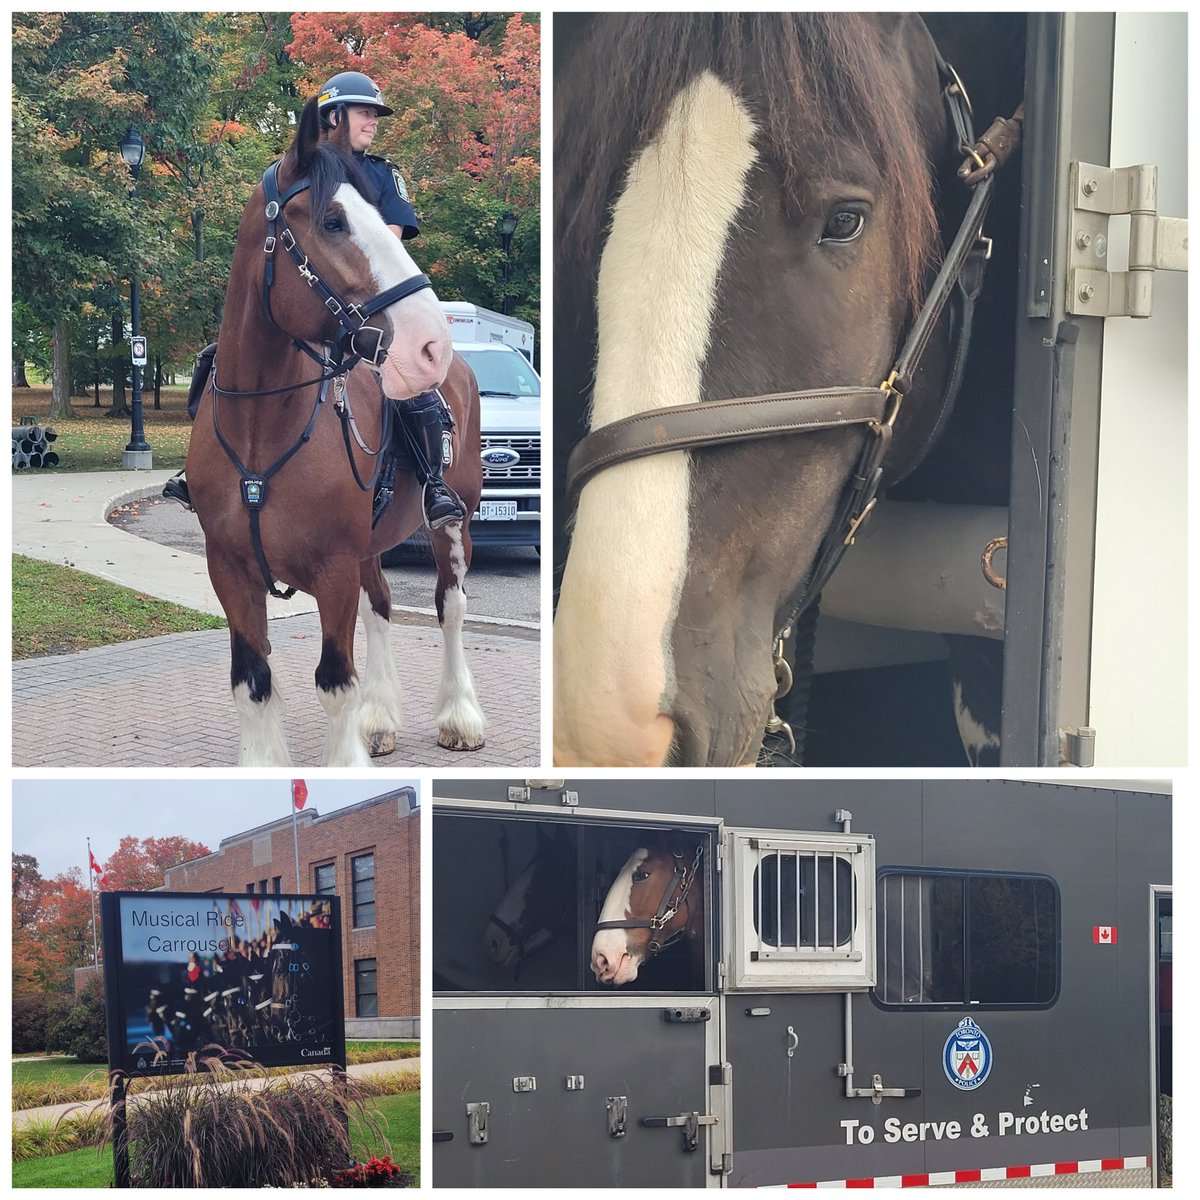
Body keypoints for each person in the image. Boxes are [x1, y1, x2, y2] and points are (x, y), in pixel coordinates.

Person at [164, 70, 465, 530]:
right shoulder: (299, 176)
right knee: (217, 360)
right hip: (317, 295)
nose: (374, 122)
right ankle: (202, 467)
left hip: (367, 300)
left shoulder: (382, 174)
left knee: (411, 389)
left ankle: (432, 481)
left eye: (375, 114)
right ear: (332, 114)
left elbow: (390, 241)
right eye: (365, 112)